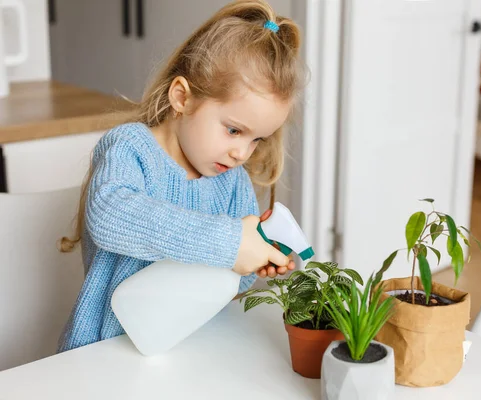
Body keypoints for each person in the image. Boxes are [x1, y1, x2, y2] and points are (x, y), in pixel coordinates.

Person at [57, 0, 305, 352]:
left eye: (257, 139)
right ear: (182, 98)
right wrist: (231, 243)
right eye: (234, 130)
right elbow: (110, 213)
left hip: (186, 348)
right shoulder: (132, 149)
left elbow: (227, 279)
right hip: (103, 350)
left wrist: (255, 258)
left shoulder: (231, 180)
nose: (242, 153)